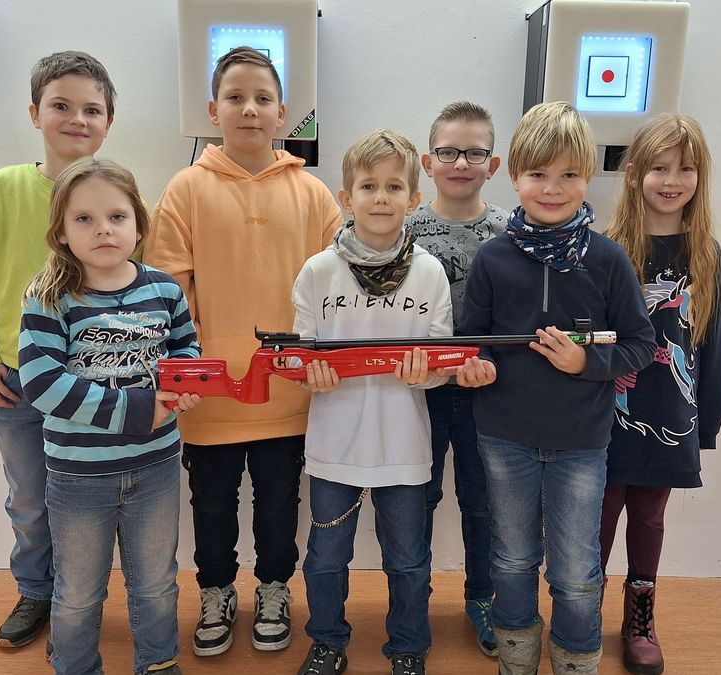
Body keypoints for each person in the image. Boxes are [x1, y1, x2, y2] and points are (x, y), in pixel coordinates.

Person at [144, 45, 343, 657]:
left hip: (289, 390)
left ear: (283, 113)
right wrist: (188, 371)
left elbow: (341, 283)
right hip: (211, 397)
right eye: (235, 97)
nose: (249, 109)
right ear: (213, 109)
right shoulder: (184, 189)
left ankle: (276, 587)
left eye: (262, 99)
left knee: (282, 501)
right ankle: (215, 590)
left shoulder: (312, 193)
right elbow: (168, 292)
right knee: (212, 505)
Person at [451, 101, 657, 675]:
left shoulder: (609, 259)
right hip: (503, 438)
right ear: (513, 176)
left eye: (568, 174)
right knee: (512, 559)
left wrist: (585, 363)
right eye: (538, 174)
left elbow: (641, 345)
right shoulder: (493, 258)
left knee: (574, 568)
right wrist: (472, 370)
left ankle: (575, 660)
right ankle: (516, 658)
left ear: (588, 178)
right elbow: (472, 342)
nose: (552, 188)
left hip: (581, 443)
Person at [0, 50, 116, 648]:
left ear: (108, 122)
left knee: (81, 498)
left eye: (91, 109)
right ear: (34, 113)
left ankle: (78, 605)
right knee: (28, 495)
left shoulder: (113, 193)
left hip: (91, 378)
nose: (77, 118)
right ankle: (36, 592)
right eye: (61, 106)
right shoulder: (4, 189)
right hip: (17, 379)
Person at [18, 159, 201, 674]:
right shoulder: (49, 297)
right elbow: (42, 384)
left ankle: (159, 665)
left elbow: (188, 349)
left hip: (156, 469)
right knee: (77, 593)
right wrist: (142, 409)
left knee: (157, 585)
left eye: (117, 216)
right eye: (85, 219)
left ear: (139, 225)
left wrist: (182, 384)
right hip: (78, 477)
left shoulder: (164, 290)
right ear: (60, 231)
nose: (103, 229)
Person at [293, 129, 450, 675]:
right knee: (326, 558)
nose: (380, 197)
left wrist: (423, 374)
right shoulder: (317, 272)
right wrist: (311, 375)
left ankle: (407, 647)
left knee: (408, 561)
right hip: (333, 443)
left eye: (393, 186)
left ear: (414, 198)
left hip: (405, 446)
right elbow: (298, 359)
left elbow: (439, 365)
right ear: (345, 196)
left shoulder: (431, 273)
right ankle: (327, 641)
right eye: (367, 185)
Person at [601, 113, 721, 675]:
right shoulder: (608, 250)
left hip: (671, 410)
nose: (671, 179)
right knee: (598, 518)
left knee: (649, 516)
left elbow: (711, 341)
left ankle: (640, 614)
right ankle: (580, 608)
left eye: (685, 168)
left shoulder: (707, 255)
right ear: (633, 175)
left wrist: (710, 417)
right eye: (659, 167)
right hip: (607, 416)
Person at [406, 100, 509, 658]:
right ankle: (411, 599)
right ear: (428, 161)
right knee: (417, 499)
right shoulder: (403, 230)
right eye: (448, 151)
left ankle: (482, 597)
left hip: (485, 393)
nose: (460, 162)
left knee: (484, 502)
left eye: (474, 152)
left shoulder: (510, 232)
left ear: (492, 165)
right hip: (417, 393)